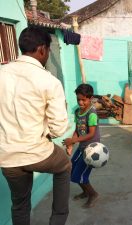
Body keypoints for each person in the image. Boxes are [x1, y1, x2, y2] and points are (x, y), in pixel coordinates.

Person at [0, 27, 70, 225]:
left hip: (7, 156)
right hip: (37, 152)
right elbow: (58, 129)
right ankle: (58, 220)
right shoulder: (49, 81)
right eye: (48, 50)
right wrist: (46, 131)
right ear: (42, 49)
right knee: (64, 165)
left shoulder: (2, 73)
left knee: (20, 204)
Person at [63, 84, 100, 208]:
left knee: (80, 175)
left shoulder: (92, 114)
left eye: (83, 99)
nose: (80, 102)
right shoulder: (78, 111)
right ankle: (85, 192)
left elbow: (91, 134)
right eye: (78, 99)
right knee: (73, 170)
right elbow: (77, 129)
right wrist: (71, 144)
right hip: (81, 147)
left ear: (90, 98)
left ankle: (93, 194)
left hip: (90, 150)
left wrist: (73, 141)